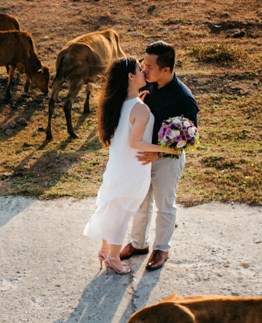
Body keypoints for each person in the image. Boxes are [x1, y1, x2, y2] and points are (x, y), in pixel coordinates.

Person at [119, 40, 197, 271]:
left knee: (165, 204)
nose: (144, 69)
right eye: (144, 64)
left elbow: (190, 137)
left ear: (166, 69)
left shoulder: (184, 97)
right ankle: (138, 244)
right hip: (142, 158)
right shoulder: (147, 87)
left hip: (167, 161)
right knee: (140, 202)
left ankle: (161, 248)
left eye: (150, 66)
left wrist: (160, 152)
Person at [81, 56, 151, 274]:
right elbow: (135, 142)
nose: (144, 72)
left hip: (117, 167)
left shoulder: (120, 104)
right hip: (134, 169)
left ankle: (104, 249)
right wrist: (166, 149)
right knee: (122, 215)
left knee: (113, 209)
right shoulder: (140, 109)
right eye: (140, 69)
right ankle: (113, 257)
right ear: (131, 77)